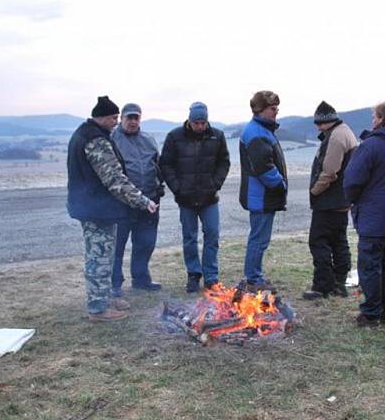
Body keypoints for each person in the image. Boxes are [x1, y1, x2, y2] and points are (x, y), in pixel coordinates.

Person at [66, 96, 157, 322]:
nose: (116, 122)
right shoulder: (95, 140)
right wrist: (142, 201)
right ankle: (98, 309)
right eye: (114, 118)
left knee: (105, 255)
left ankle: (105, 298)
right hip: (95, 209)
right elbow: (114, 179)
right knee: (99, 258)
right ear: (103, 117)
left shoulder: (85, 133)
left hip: (95, 206)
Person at [343, 101, 385, 326]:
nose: (372, 120)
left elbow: (352, 180)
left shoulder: (371, 146)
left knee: (370, 265)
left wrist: (353, 200)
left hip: (373, 215)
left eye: (374, 116)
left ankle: (371, 313)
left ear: (380, 119)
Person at [160, 102, 230, 292]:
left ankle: (211, 277)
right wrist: (177, 188)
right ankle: (193, 274)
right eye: (196, 122)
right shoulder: (174, 137)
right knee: (189, 237)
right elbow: (165, 164)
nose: (200, 126)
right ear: (189, 121)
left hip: (209, 198)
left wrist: (215, 184)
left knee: (212, 235)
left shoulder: (218, 136)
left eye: (203, 122)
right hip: (186, 199)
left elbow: (224, 162)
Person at [302, 101, 358, 300]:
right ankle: (339, 283)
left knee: (319, 241)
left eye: (318, 123)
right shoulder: (346, 132)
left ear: (326, 122)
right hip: (342, 200)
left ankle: (322, 286)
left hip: (329, 200)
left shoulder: (335, 138)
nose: (317, 127)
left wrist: (315, 191)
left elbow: (330, 171)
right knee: (339, 241)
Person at [111, 103, 164, 296]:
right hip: (121, 203)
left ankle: (141, 279)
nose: (133, 121)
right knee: (117, 245)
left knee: (145, 242)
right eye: (129, 117)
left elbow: (158, 165)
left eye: (136, 118)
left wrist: (159, 186)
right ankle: (114, 284)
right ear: (121, 119)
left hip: (149, 201)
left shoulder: (149, 140)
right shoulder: (111, 139)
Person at [239, 91, 287, 291]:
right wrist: (280, 184)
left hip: (260, 196)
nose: (276, 112)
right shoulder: (257, 133)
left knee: (258, 238)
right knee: (259, 239)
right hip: (261, 196)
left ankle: (254, 275)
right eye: (272, 109)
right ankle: (253, 278)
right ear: (259, 110)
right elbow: (264, 168)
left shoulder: (260, 130)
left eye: (277, 108)